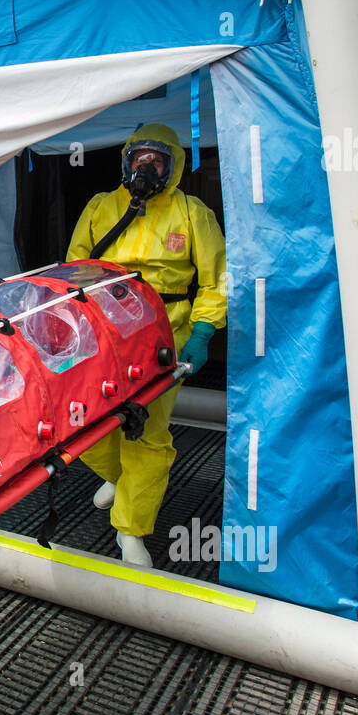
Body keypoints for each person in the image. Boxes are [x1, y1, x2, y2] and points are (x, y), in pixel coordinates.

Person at [66, 123, 227, 567]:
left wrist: (202, 332)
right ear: (126, 162)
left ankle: (131, 529)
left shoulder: (193, 213)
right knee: (82, 421)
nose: (147, 167)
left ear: (172, 167)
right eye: (140, 159)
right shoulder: (102, 207)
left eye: (157, 160)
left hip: (164, 334)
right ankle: (121, 477)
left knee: (147, 432)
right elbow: (73, 269)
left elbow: (217, 279)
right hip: (105, 333)